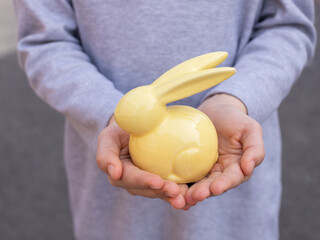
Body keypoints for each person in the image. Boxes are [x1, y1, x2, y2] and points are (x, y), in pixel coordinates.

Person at [13, 0, 316, 239]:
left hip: (234, 181)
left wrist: (235, 99)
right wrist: (106, 112)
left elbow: (288, 24)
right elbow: (45, 41)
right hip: (112, 204)